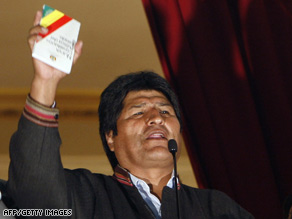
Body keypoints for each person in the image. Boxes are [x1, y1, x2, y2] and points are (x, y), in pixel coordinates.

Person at [6, 11, 254, 218]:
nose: (156, 117)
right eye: (138, 111)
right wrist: (45, 82)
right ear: (110, 136)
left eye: (165, 110)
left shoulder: (218, 209)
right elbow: (34, 192)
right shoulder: (85, 195)